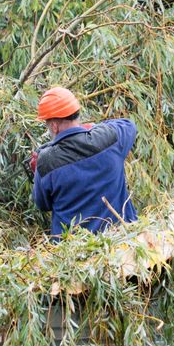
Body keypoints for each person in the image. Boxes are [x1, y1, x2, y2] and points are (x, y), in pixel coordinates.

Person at [31, 86, 137, 238]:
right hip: (121, 238)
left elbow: (43, 205)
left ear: (54, 125)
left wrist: (38, 175)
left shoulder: (46, 161)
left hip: (73, 250)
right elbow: (129, 125)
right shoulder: (108, 137)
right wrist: (94, 129)